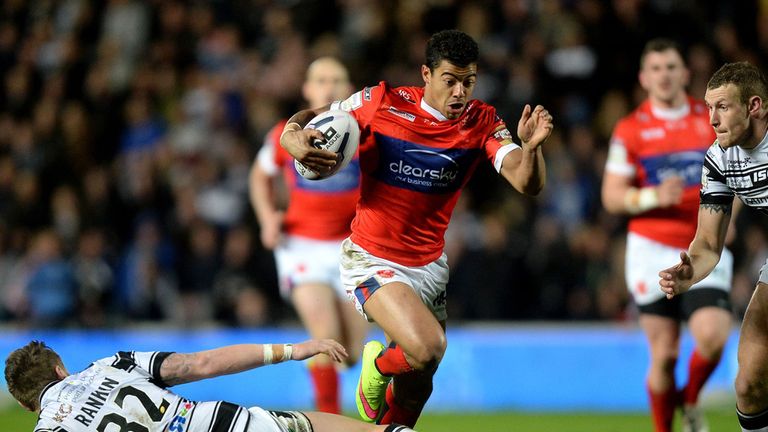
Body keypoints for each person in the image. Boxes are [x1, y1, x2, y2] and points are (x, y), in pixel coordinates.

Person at [279, 29, 552, 427]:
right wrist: (292, 136)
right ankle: (377, 366)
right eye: (450, 80)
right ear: (427, 74)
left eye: (468, 81)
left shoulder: (483, 121)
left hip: (429, 265)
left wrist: (532, 148)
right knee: (427, 348)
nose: (460, 92)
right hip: (371, 257)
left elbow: (527, 183)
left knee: (418, 385)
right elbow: (319, 113)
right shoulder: (381, 102)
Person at [602, 39, 733, 432]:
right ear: (644, 78)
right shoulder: (630, 130)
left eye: (671, 67)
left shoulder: (709, 121)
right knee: (665, 355)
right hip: (651, 246)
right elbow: (611, 196)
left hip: (703, 243)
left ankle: (689, 399)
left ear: (686, 74)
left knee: (711, 337)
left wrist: (731, 218)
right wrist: (652, 195)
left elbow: (735, 174)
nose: (664, 75)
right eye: (656, 68)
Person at [249, 57, 368, 414]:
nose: (329, 87)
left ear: (349, 90)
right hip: (301, 245)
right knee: (324, 333)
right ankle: (328, 421)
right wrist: (267, 217)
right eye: (320, 80)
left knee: (350, 355)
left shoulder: (366, 131)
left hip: (353, 247)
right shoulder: (286, 133)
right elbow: (259, 175)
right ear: (307, 89)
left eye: (337, 79)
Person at [659, 61, 768, 432]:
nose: (712, 119)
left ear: (755, 106)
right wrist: (691, 272)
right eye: (708, 108)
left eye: (723, 107)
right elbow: (707, 241)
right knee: (749, 383)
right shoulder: (720, 159)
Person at [5, 339, 417, 432]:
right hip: (221, 424)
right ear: (61, 370)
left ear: (28, 406)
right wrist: (291, 350)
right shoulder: (111, 364)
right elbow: (199, 363)